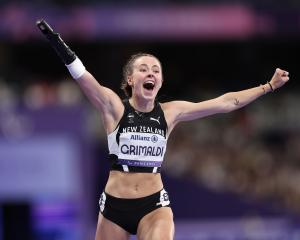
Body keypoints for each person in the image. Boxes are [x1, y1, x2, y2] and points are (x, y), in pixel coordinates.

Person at [36, 20, 290, 240]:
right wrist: (57, 42)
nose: (151, 73)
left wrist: (267, 86)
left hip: (153, 205)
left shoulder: (171, 112)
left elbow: (225, 102)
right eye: (143, 69)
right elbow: (84, 77)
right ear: (131, 80)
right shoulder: (114, 108)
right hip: (114, 207)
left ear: (160, 82)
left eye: (156, 70)